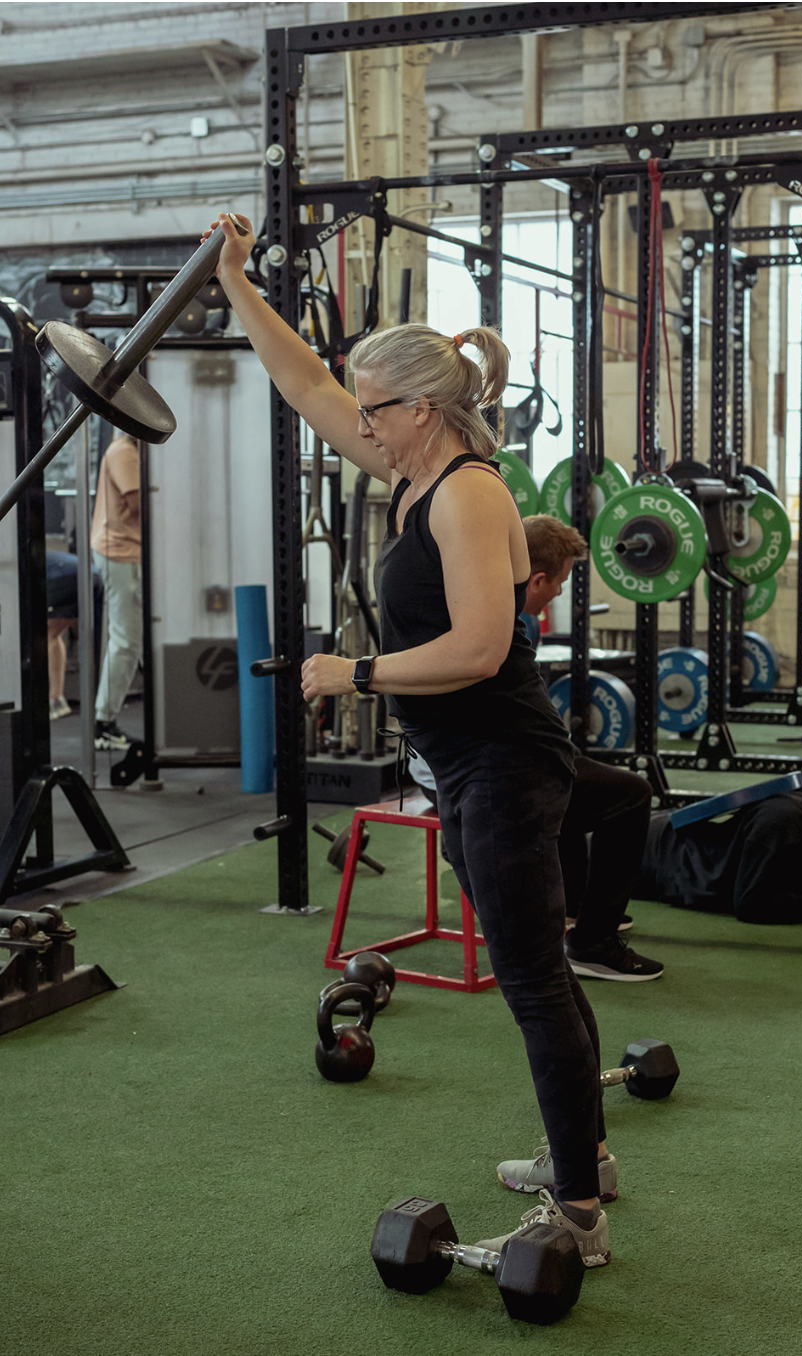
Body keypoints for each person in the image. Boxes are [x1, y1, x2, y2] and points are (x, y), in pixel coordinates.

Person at [208, 211, 612, 1268]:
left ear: (421, 410)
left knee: (529, 979)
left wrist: (359, 672)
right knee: (543, 972)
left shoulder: (469, 495)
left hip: (506, 764)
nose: (360, 424)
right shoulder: (412, 471)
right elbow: (306, 389)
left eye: (375, 407)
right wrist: (239, 285)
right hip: (469, 763)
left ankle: (576, 1212)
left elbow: (481, 646)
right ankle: (590, 1162)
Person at [409, 512, 662, 983]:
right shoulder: (496, 622)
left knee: (569, 770)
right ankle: (593, 942)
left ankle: (572, 909)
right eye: (560, 582)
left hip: (492, 755)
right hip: (467, 771)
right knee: (630, 794)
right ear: (537, 578)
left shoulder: (503, 610)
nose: (561, 593)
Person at [634, 782, 802, 923]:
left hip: (666, 834)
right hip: (653, 858)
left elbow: (797, 874)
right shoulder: (780, 825)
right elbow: (750, 904)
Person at [91, 432, 142, 751]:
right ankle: (103, 724)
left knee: (127, 639)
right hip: (120, 552)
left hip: (125, 552)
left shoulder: (129, 452)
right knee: (126, 640)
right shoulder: (124, 451)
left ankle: (104, 720)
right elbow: (140, 503)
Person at [46, 548, 104, 720]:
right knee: (51, 634)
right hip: (92, 575)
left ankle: (55, 700)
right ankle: (57, 700)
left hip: (73, 577)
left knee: (46, 635)